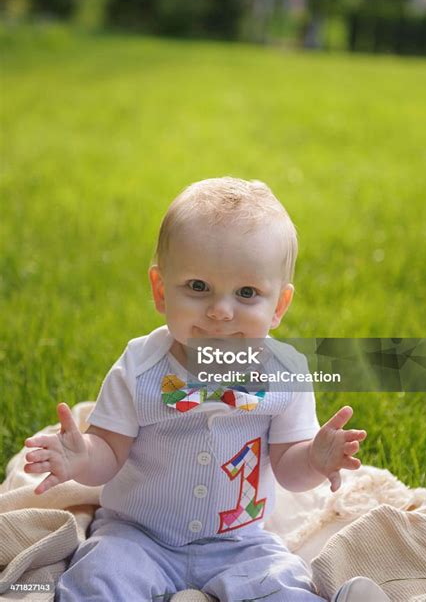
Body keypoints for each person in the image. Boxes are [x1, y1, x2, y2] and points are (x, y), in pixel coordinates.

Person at [25, 178, 390, 602]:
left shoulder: (286, 371)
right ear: (161, 291)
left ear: (279, 307)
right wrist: (83, 455)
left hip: (239, 543)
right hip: (139, 535)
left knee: (280, 582)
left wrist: (314, 457)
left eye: (247, 293)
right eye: (198, 287)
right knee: (99, 577)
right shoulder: (140, 367)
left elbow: (288, 469)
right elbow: (108, 452)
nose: (220, 310)